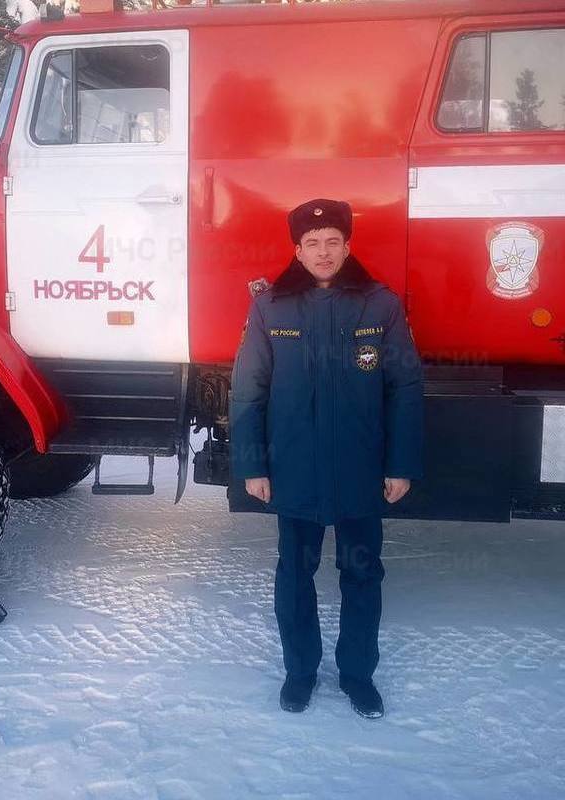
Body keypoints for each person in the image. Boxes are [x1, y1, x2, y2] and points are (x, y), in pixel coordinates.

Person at [229, 198, 425, 718]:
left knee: (362, 573)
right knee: (295, 573)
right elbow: (248, 391)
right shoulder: (271, 306)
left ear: (347, 246)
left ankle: (358, 676)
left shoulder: (379, 304)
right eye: (312, 243)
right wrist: (253, 466)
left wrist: (399, 464)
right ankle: (300, 672)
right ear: (297, 250)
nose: (323, 251)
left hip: (362, 470)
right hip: (294, 470)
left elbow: (404, 387)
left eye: (332, 242)